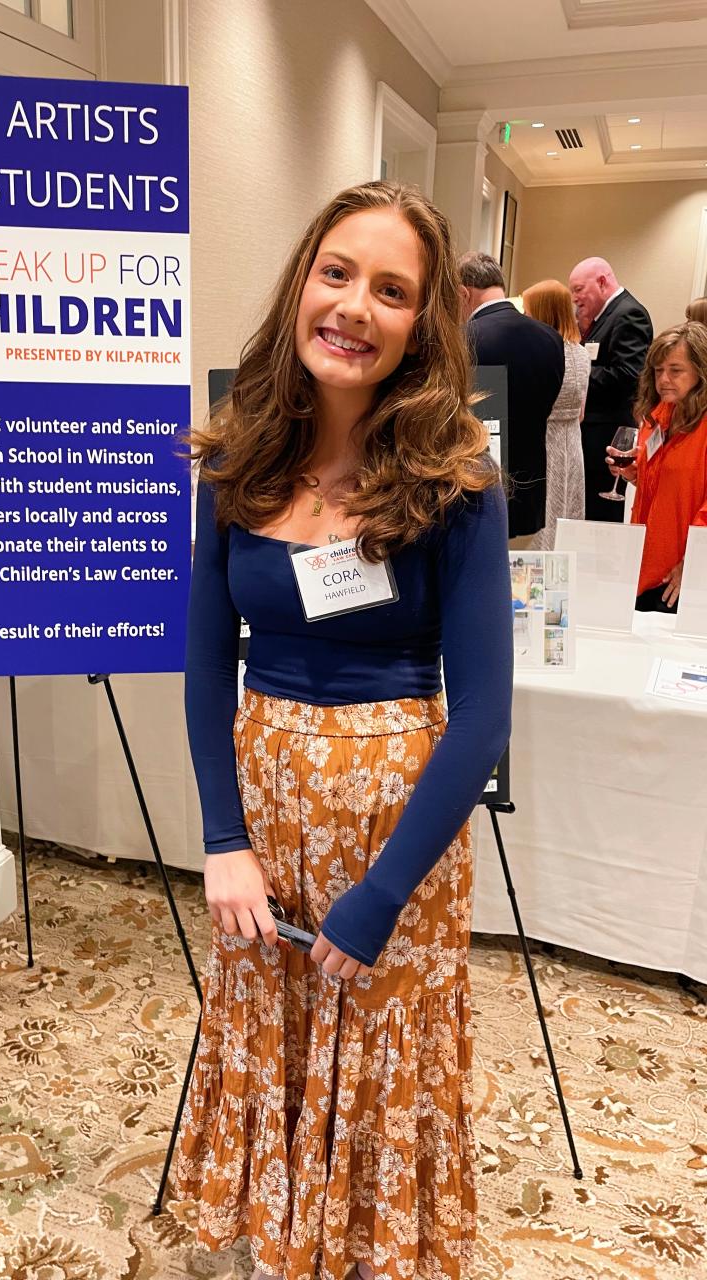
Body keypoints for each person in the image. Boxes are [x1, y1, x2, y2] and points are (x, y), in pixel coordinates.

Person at [175, 181, 512, 1280]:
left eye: (392, 290)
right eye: (337, 273)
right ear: (302, 284)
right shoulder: (236, 457)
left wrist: (382, 894)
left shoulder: (457, 479)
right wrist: (223, 839)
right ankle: (285, 1239)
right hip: (265, 828)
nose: (356, 306)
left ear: (423, 325)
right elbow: (203, 662)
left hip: (394, 842)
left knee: (379, 1050)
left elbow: (484, 717)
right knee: (271, 1032)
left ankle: (367, 1249)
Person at [459, 252, 564, 546]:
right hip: (531, 489)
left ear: (463, 293)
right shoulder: (551, 338)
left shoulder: (465, 338)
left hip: (475, 489)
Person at [607, 320, 707, 612]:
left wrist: (694, 562)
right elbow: (670, 482)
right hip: (645, 562)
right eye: (658, 370)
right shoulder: (660, 414)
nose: (664, 379)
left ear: (701, 371)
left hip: (682, 574)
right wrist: (634, 474)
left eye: (675, 371)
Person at [568, 257, 652, 522]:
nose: (574, 298)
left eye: (579, 289)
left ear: (602, 282)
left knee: (600, 516)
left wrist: (576, 372)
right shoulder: (603, 316)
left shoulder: (628, 314)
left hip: (608, 436)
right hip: (593, 434)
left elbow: (629, 374)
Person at [521, 279, 590, 548]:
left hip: (545, 440)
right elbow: (581, 410)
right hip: (572, 442)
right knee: (568, 509)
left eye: (528, 311)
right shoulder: (582, 354)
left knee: (545, 512)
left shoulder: (541, 353)